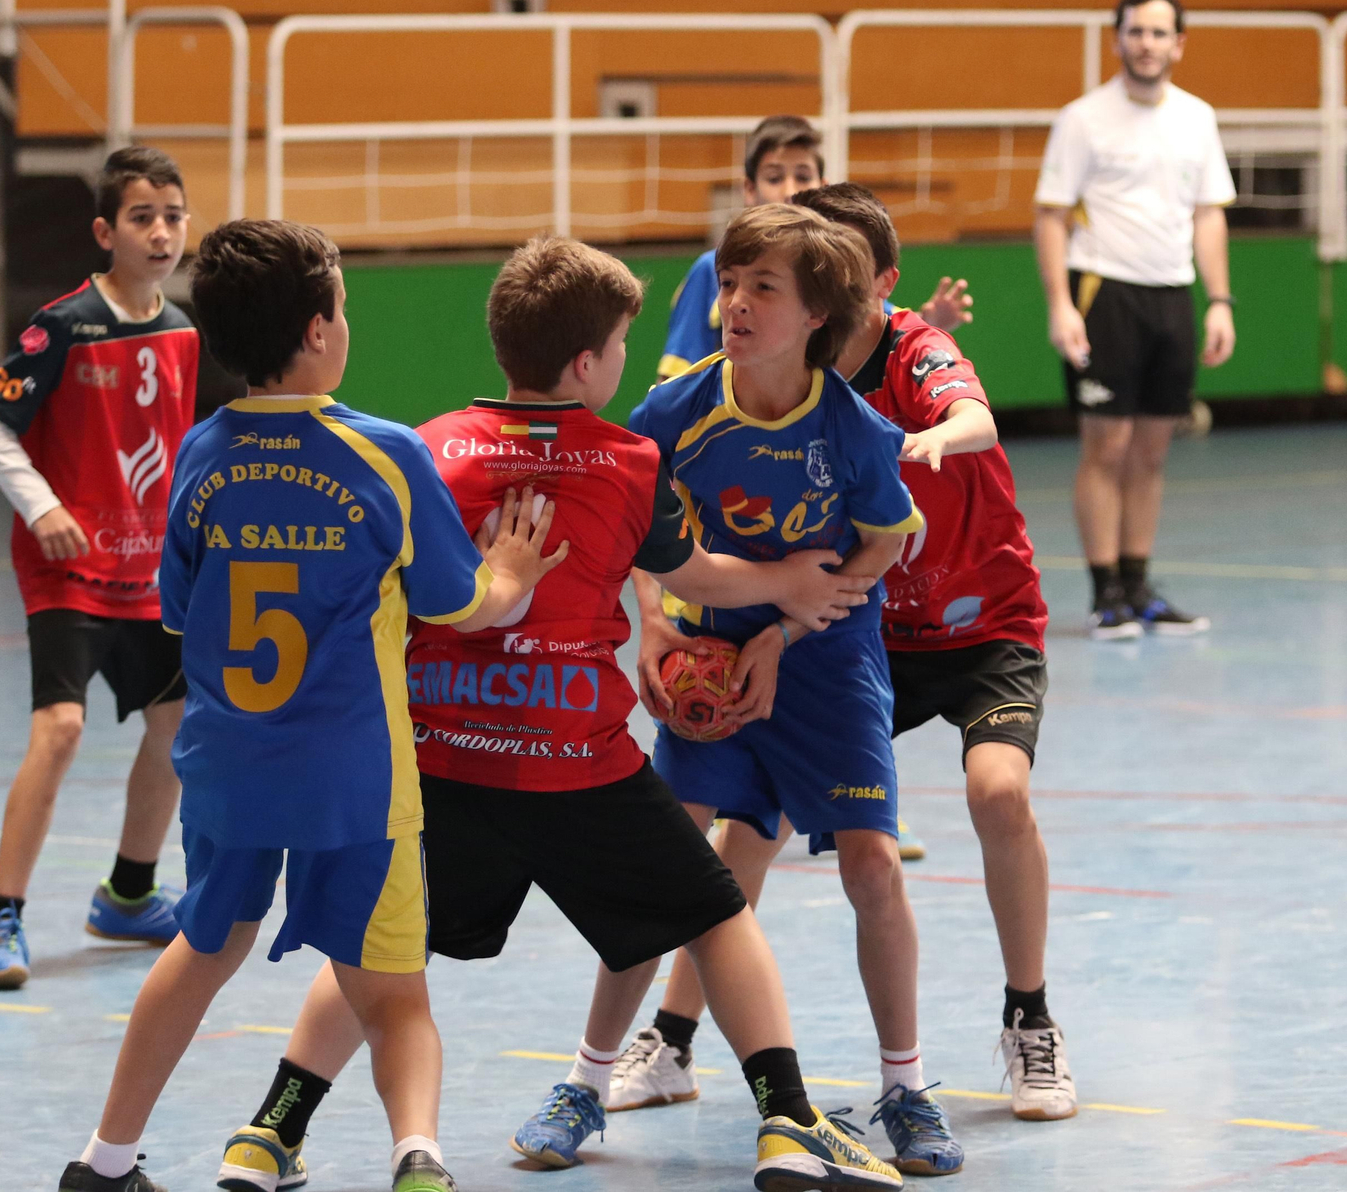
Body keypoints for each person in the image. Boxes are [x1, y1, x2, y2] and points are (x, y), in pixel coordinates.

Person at [216, 235, 904, 1192]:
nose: (626, 361)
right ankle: (789, 1123)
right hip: (575, 762)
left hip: (443, 757)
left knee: (373, 948)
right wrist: (787, 579)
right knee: (716, 916)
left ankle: (268, 1132)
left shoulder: (431, 448)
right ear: (588, 364)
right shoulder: (625, 460)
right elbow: (690, 572)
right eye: (621, 344)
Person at [56, 219, 567, 1192]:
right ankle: (416, 1158)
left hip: (226, 770)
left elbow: (174, 606)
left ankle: (104, 1157)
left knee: (203, 946)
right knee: (394, 994)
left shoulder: (201, 456)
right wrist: (512, 569)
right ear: (322, 330)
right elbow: (461, 603)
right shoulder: (379, 455)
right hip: (353, 781)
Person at [614, 183, 1076, 1130]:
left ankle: (1029, 1018)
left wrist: (925, 441)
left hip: (976, 621)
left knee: (998, 792)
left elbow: (975, 415)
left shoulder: (908, 358)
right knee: (747, 829)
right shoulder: (768, 385)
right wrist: (764, 631)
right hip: (854, 626)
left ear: (871, 291)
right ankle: (671, 1038)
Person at [629, 202, 964, 1176]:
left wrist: (780, 631)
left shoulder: (852, 428)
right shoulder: (677, 409)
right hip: (706, 654)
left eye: (761, 288)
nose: (733, 301)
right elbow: (641, 528)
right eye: (729, 283)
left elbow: (890, 538)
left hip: (827, 657)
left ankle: (903, 1085)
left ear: (819, 313)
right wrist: (653, 618)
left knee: (871, 864)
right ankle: (601, 1068)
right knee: (670, 862)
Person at [0, 146, 200, 989]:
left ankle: (129, 894)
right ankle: (0, 920)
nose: (161, 231)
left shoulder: (185, 333)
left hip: (153, 576)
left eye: (173, 216)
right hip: (70, 570)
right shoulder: (62, 326)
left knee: (175, 734)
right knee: (59, 730)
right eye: (142, 217)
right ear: (106, 231)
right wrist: (43, 506)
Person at [1034, 0, 1236, 639]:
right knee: (1107, 445)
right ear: (1117, 40)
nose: (1147, 43)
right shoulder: (1083, 119)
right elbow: (1051, 215)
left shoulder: (1198, 119)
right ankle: (1105, 595)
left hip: (1171, 295)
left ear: (1179, 43)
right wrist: (1061, 304)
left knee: (1151, 449)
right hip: (1104, 293)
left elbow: (1209, 212)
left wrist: (1219, 301)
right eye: (1136, 32)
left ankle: (1140, 587)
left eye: (1160, 32)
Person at [660, 115, 974, 382]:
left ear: (822, 185)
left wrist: (925, 324)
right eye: (774, 177)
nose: (790, 189)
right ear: (750, 190)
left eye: (802, 176)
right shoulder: (710, 268)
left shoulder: (836, 263)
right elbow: (675, 377)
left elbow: (874, 331)